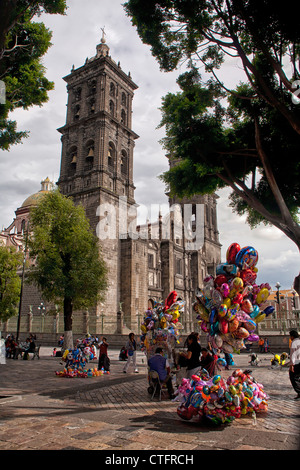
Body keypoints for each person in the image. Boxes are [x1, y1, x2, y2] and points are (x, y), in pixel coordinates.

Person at [289, 330, 300, 399]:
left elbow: (293, 354)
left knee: (293, 377)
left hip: (297, 361)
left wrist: (291, 365)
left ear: (292, 337)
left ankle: (299, 392)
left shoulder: (294, 343)